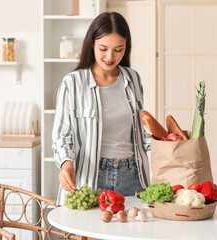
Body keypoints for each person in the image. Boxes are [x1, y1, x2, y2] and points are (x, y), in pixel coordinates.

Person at [52, 11, 151, 205]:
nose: (110, 56)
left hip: (133, 175)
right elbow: (61, 135)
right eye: (103, 48)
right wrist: (66, 164)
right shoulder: (72, 83)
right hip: (91, 177)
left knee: (133, 231)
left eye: (118, 50)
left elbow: (140, 131)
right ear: (92, 43)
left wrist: (170, 146)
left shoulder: (133, 79)